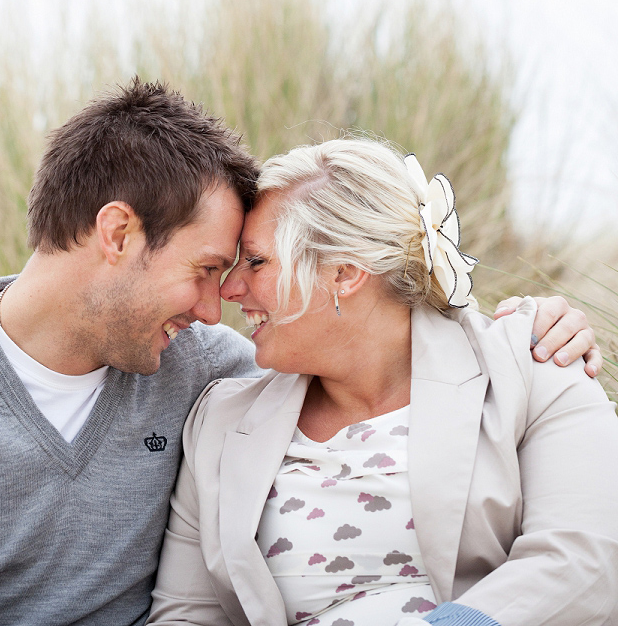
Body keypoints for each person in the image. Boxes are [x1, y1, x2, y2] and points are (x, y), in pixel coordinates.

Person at [0, 85, 601, 626]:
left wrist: (531, 328)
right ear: (117, 235)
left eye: (239, 271)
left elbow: (379, 348)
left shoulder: (210, 372)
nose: (215, 305)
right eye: (205, 270)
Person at [148, 137, 618, 626]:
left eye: (258, 262)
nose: (228, 289)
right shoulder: (221, 420)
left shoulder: (535, 362)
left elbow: (584, 562)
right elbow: (188, 613)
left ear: (345, 273)